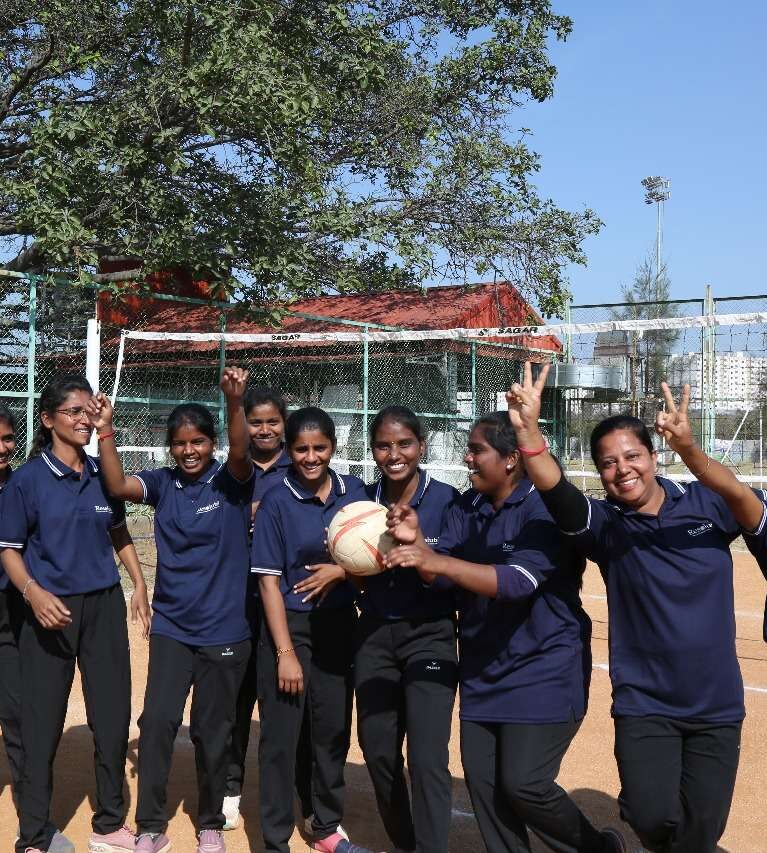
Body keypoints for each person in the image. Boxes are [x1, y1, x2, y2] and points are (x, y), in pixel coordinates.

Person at [506, 363, 767, 853]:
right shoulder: (607, 527)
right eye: (608, 462)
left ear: (653, 457)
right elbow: (555, 490)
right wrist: (528, 433)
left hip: (716, 703)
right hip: (645, 702)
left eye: (632, 456)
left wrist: (691, 451)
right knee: (650, 816)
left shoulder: (707, 506)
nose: (622, 468)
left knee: (701, 834)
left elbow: (747, 505)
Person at [385, 411, 624, 853]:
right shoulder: (466, 506)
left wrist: (436, 561)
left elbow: (518, 582)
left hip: (545, 666)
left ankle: (596, 848)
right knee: (485, 787)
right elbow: (438, 574)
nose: (467, 457)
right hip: (482, 666)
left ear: (512, 459)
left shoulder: (542, 509)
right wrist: (417, 547)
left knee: (524, 782)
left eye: (477, 450)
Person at [88, 368, 254, 853]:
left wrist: (235, 402)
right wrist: (106, 429)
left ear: (212, 442)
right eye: (180, 443)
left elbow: (243, 452)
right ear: (169, 447)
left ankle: (209, 822)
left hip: (225, 630)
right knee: (157, 721)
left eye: (199, 441)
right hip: (173, 628)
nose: (189, 451)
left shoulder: (231, 483)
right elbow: (117, 485)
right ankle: (152, 825)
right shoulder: (162, 484)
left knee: (212, 730)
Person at [0, 375, 150, 853]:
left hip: (102, 604)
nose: (86, 420)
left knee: (111, 715)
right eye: (75, 412)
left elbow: (118, 531)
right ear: (47, 420)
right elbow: (7, 549)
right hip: (49, 609)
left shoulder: (99, 474)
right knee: (41, 724)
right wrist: (32, 593)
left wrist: (140, 583)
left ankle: (109, 824)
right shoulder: (26, 481)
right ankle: (35, 834)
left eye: (91, 411)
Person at [251, 406, 373, 853]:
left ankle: (325, 827)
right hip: (290, 628)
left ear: (333, 448)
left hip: (339, 626)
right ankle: (275, 838)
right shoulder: (277, 500)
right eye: (300, 449)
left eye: (319, 448)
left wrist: (340, 571)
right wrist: (284, 652)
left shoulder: (353, 493)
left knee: (331, 730)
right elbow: (267, 581)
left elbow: (372, 559)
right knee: (281, 741)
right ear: (289, 450)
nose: (310, 457)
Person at [355, 406, 458, 853]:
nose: (393, 453)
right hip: (375, 634)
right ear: (372, 449)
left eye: (404, 443)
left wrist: (416, 548)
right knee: (378, 752)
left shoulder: (447, 500)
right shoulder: (360, 503)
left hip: (431, 632)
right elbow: (355, 571)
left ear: (422, 445)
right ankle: (406, 841)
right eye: (383, 445)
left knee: (427, 757)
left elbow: (453, 573)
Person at [223, 388, 319, 836]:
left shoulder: (297, 467)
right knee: (237, 699)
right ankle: (229, 788)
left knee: (293, 706)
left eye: (272, 422)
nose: (264, 430)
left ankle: (308, 794)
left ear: (286, 424)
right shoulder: (236, 469)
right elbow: (237, 447)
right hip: (240, 597)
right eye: (255, 422)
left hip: (286, 597)